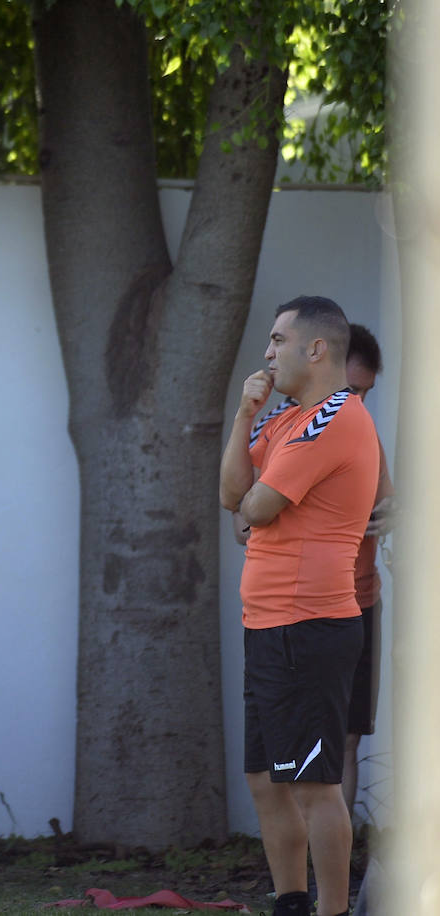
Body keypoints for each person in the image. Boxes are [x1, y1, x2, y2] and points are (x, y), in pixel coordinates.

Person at [219, 296, 379, 916]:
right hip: (267, 625)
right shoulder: (283, 417)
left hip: (307, 625)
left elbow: (255, 510)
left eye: (277, 340)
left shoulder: (333, 418)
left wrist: (251, 502)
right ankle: (291, 902)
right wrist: (242, 416)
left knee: (313, 785)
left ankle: (331, 910)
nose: (267, 352)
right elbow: (232, 493)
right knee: (265, 779)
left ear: (315, 349)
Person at [341, 323, 395, 817]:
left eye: (365, 393)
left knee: (347, 738)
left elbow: (387, 504)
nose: (358, 403)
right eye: (350, 390)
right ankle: (298, 869)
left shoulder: (366, 436)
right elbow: (244, 522)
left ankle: (334, 869)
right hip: (304, 607)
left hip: (361, 603)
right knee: (302, 745)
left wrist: (389, 514)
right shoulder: (282, 430)